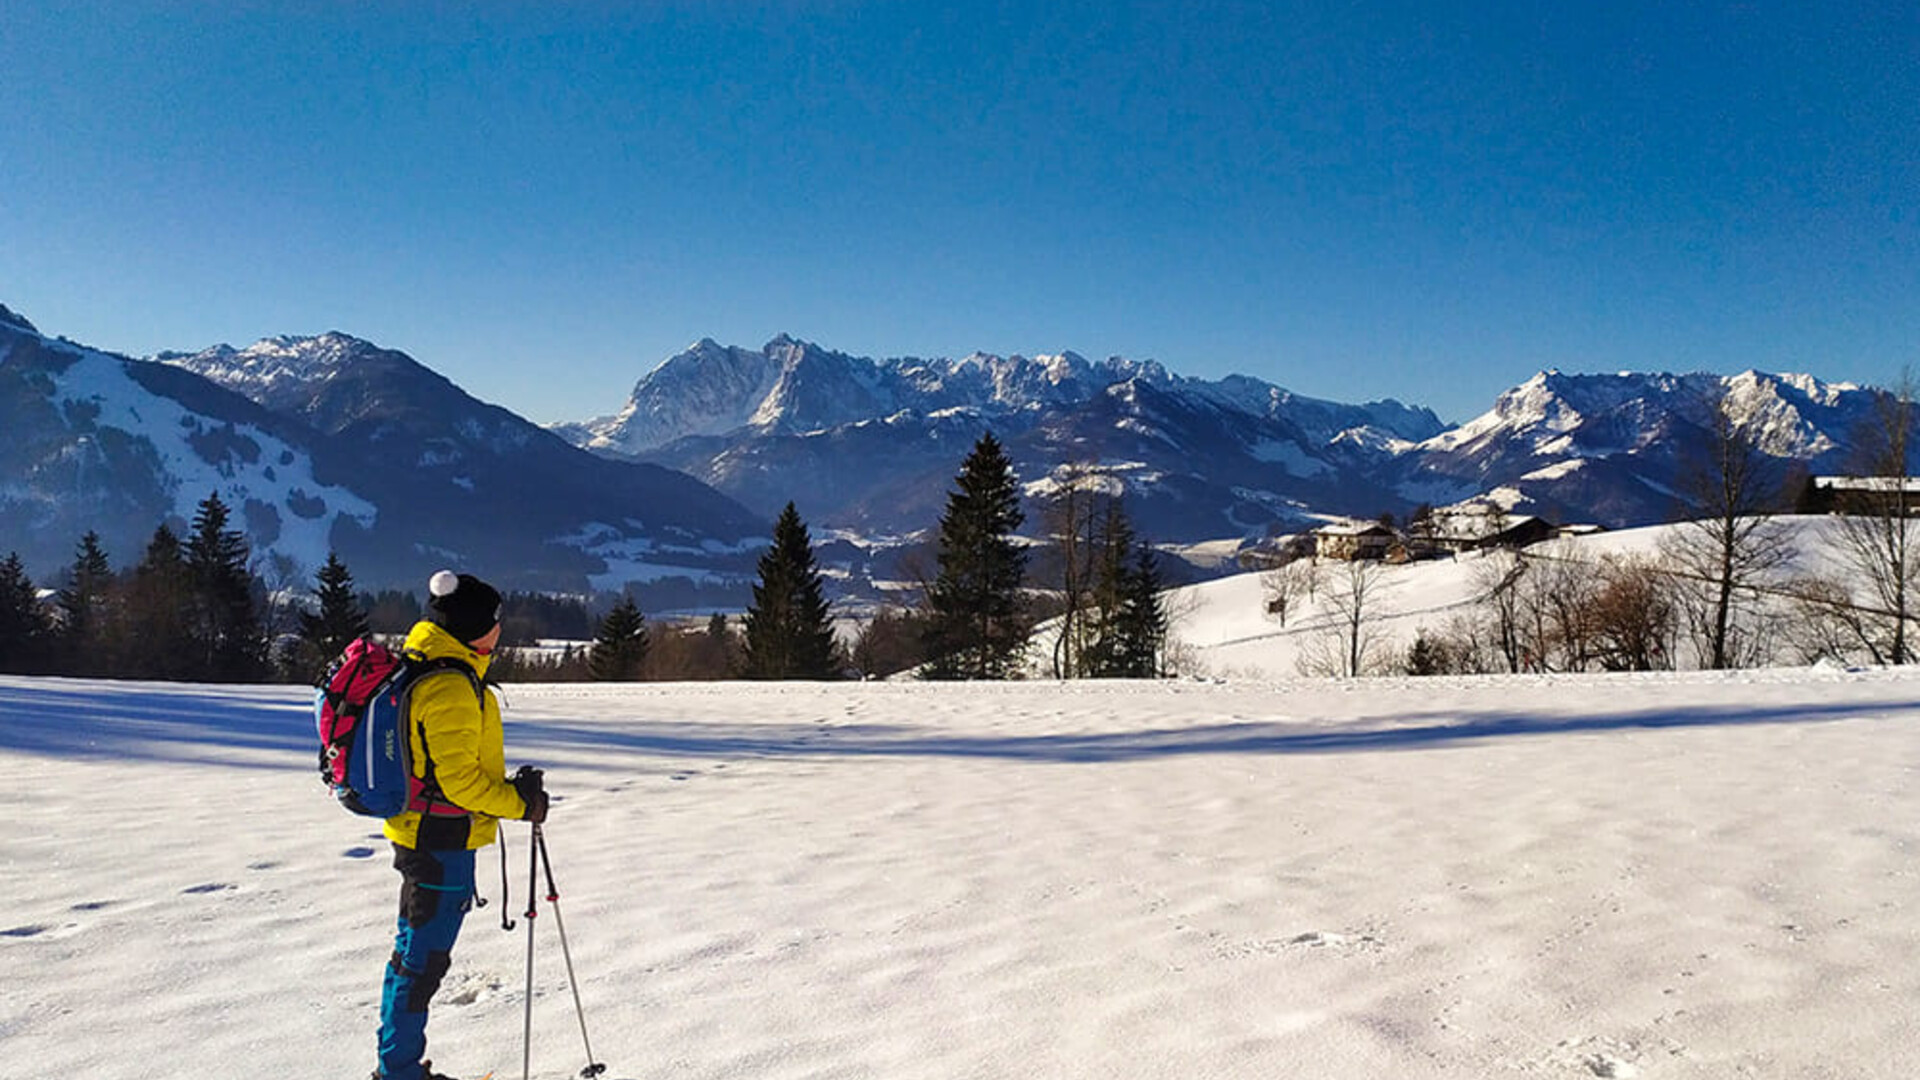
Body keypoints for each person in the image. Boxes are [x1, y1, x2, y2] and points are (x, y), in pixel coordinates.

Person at [373, 570, 549, 1080]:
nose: (499, 629)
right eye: (494, 621)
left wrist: (511, 792)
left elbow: (449, 769)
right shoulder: (450, 684)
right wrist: (520, 806)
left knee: (411, 956)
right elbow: (460, 785)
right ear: (475, 627)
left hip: (424, 832)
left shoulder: (434, 663)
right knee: (421, 962)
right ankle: (399, 1071)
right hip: (440, 839)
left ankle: (397, 1065)